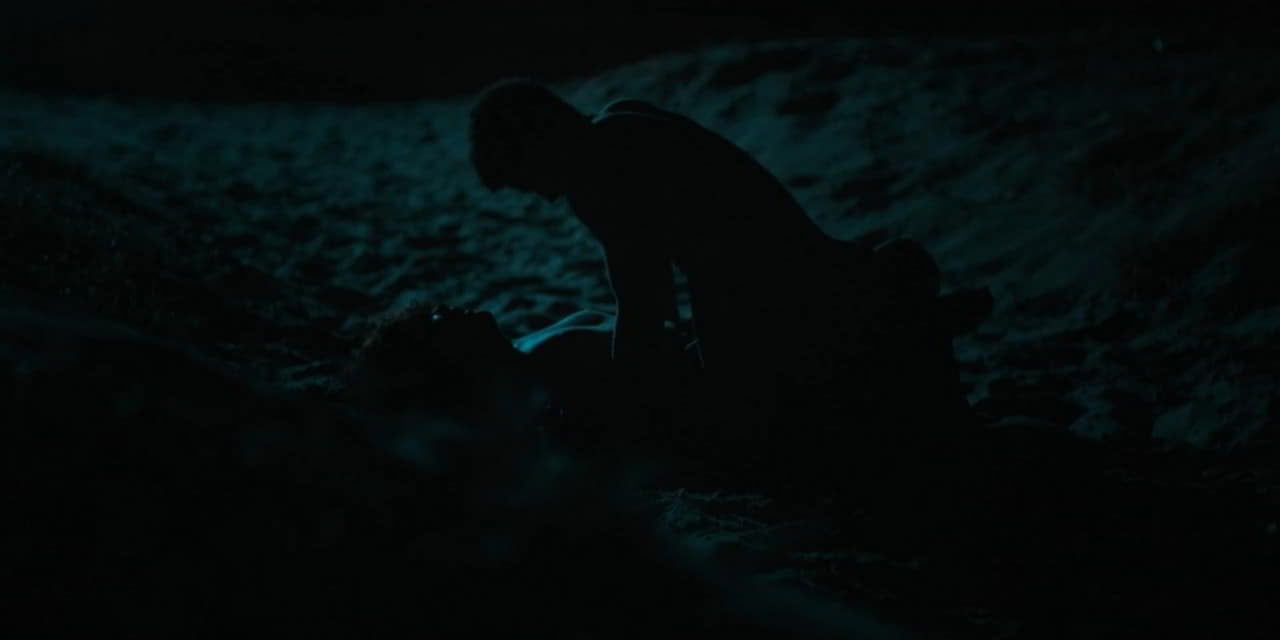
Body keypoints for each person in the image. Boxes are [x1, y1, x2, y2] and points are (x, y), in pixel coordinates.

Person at [467, 79, 991, 444]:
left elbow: (645, 301)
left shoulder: (597, 176)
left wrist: (627, 396)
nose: (543, 196)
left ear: (536, 144)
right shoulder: (626, 116)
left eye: (526, 179)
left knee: (729, 420)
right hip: (815, 263)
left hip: (774, 303)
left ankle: (882, 333)